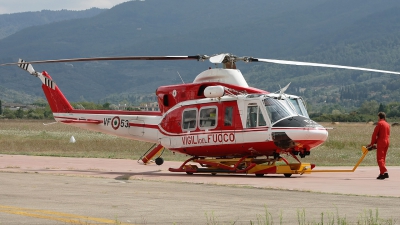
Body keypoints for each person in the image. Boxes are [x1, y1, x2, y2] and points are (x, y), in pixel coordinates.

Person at [367, 112, 390, 180]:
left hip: (381, 142)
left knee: (380, 159)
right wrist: (375, 142)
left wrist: (372, 143)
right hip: (387, 141)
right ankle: (381, 174)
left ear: (379, 117)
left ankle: (385, 172)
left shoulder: (380, 123)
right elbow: (385, 135)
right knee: (383, 159)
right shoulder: (387, 124)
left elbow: (375, 134)